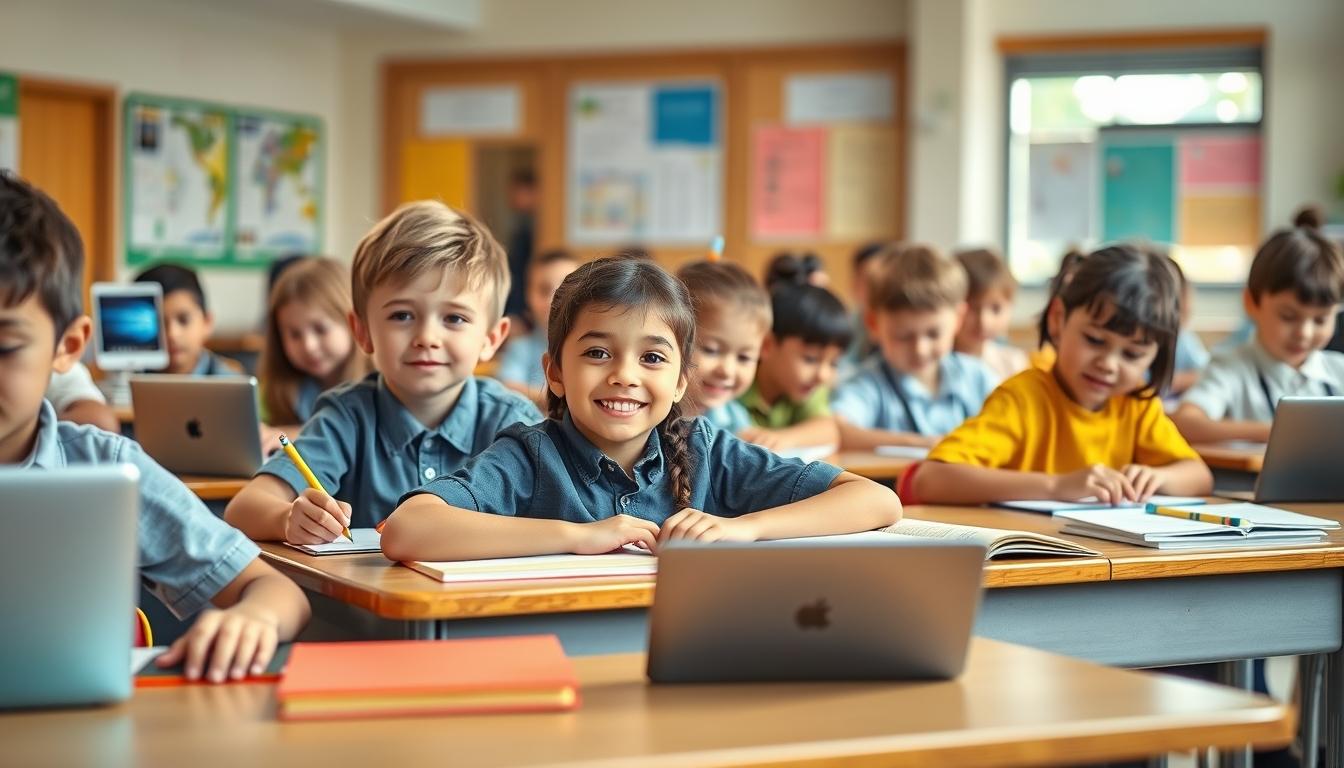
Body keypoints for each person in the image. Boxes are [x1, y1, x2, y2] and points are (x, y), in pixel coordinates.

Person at [377, 255, 901, 562]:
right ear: (555, 371)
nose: (624, 374)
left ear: (679, 381)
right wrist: (577, 537)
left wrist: (746, 528)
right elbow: (407, 528)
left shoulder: (705, 451)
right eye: (597, 353)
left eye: (652, 357)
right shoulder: (530, 456)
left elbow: (875, 501)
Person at [0, 173, 309, 682]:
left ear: (69, 347)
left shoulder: (104, 468)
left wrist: (252, 619)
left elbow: (278, 593)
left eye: (4, 347)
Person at [225, 201, 541, 543]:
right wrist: (287, 518)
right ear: (362, 331)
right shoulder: (347, 417)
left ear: (491, 338)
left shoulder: (516, 423)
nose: (426, 339)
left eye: (454, 318)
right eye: (402, 316)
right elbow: (244, 509)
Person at [909, 244, 1212, 505]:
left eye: (1132, 354)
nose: (1108, 364)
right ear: (1057, 319)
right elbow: (931, 479)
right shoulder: (1023, 399)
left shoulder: (1136, 405)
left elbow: (1199, 476)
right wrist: (1056, 486)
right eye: (1094, 340)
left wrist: (1158, 477)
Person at [1173, 223, 1344, 444]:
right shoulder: (1230, 368)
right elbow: (1186, 422)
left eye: (1320, 320)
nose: (1304, 333)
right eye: (1288, 317)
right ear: (1251, 302)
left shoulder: (1338, 370)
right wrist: (1275, 432)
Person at [833, 245, 996, 450]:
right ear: (873, 324)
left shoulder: (978, 377)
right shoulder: (868, 384)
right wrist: (926, 444)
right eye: (903, 336)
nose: (920, 349)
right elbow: (839, 431)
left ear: (958, 319)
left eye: (933, 334)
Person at [256, 258, 369, 453]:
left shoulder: (380, 387)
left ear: (352, 323)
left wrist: (294, 434)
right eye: (294, 334)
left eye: (320, 329)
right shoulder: (277, 391)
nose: (309, 346)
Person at [738, 283, 851, 450]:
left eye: (833, 363)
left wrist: (783, 438)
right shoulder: (736, 384)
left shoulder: (806, 388)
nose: (823, 375)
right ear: (767, 345)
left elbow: (829, 430)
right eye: (810, 359)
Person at [676, 260, 771, 435]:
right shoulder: (651, 414)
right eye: (711, 350)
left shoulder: (735, 420)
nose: (727, 371)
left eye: (743, 357)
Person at [495, 249, 579, 405]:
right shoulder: (520, 347)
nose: (553, 299)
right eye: (543, 290)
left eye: (564, 290)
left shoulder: (592, 346)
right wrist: (561, 399)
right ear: (528, 296)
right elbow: (507, 386)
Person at [133, 263, 242, 375]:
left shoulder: (231, 387)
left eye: (184, 320)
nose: (172, 334)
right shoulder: (122, 383)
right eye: (157, 323)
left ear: (207, 322)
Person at [953, 247, 1028, 382]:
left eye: (996, 308)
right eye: (972, 308)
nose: (984, 321)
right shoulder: (933, 365)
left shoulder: (1013, 364)